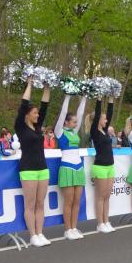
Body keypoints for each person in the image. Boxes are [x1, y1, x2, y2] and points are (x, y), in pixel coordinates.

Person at [15, 77, 51, 247]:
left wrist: (47, 87)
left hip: (43, 168)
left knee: (40, 203)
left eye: (37, 113)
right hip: (28, 169)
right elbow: (23, 104)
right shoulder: (20, 127)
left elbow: (45, 106)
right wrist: (29, 84)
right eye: (34, 113)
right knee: (30, 204)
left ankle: (40, 233)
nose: (37, 115)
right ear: (27, 115)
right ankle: (33, 235)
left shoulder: (37, 127)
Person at [54, 93, 88, 240]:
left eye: (76, 122)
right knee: (68, 201)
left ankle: (74, 227)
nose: (76, 124)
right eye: (73, 122)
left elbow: (80, 114)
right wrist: (67, 97)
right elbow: (62, 113)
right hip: (67, 168)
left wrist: (85, 97)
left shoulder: (74, 132)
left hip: (79, 168)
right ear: (66, 122)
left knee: (77, 201)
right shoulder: (59, 132)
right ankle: (67, 230)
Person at [89, 97, 116, 233]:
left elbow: (110, 113)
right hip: (100, 167)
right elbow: (98, 113)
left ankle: (106, 221)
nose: (106, 121)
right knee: (101, 196)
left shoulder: (105, 131)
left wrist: (111, 98)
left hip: (110, 166)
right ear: (98, 120)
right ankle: (100, 223)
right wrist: (99, 99)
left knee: (107, 196)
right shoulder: (94, 131)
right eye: (104, 119)